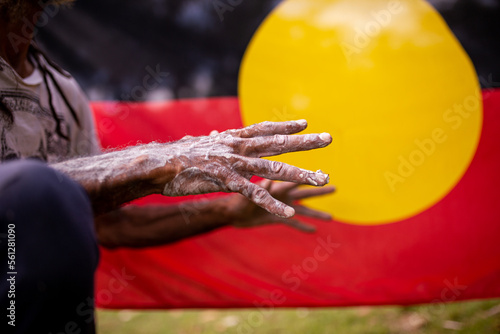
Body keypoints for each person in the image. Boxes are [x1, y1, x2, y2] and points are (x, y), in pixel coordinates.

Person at [0, 1, 334, 333]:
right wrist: (153, 162)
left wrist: (228, 210)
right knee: (32, 187)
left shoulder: (61, 92)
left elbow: (109, 227)